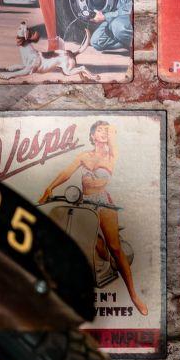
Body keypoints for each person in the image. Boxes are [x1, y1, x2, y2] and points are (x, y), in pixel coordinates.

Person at [38, 119, 147, 315]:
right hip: (85, 203)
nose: (104, 132)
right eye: (99, 130)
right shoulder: (84, 156)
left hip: (104, 202)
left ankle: (133, 295)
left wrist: (108, 128)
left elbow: (113, 132)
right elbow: (66, 172)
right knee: (86, 243)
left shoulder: (112, 154)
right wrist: (49, 188)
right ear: (92, 135)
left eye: (106, 130)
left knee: (114, 247)